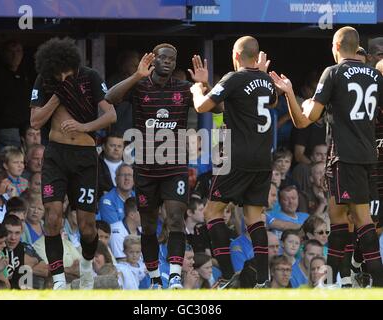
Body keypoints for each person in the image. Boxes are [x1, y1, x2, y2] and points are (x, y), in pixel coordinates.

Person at [270, 26, 383, 287]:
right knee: (338, 219)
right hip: (368, 156)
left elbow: (303, 120)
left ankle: (377, 279)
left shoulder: (333, 72)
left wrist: (289, 93)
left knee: (361, 221)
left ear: (335, 47)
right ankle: (335, 280)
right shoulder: (375, 76)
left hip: (345, 156)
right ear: (357, 48)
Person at [105, 43, 211, 289]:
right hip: (146, 169)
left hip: (175, 167)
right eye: (162, 57)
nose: (167, 62)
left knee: (175, 219)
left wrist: (204, 85)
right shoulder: (140, 86)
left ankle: (174, 276)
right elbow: (110, 97)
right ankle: (154, 279)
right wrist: (136, 75)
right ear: (153, 60)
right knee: (150, 226)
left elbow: (218, 106)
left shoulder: (184, 88)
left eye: (172, 59)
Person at [30, 37, 116, 289]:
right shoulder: (45, 81)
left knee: (88, 227)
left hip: (85, 157)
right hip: (56, 155)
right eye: (57, 73)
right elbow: (35, 121)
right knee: (53, 216)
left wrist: (84, 126)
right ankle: (58, 280)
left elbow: (110, 114)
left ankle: (87, 269)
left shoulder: (89, 77)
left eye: (65, 71)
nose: (62, 76)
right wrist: (57, 96)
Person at [190, 36, 277, 288]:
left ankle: (226, 274)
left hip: (237, 156)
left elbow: (202, 107)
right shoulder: (266, 80)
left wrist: (198, 89)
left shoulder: (234, 77)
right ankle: (262, 279)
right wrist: (209, 83)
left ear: (236, 56)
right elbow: (270, 102)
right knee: (254, 217)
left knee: (211, 212)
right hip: (263, 158)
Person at [0, 40, 32, 150]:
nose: (15, 55)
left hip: (26, 127)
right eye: (11, 51)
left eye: (18, 51)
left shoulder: (26, 73)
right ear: (3, 53)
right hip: (6, 128)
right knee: (12, 161)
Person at [2, 214, 49, 289]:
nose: (13, 237)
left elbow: (46, 270)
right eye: (9, 232)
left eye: (17, 233)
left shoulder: (23, 247)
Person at [97, 132, 124, 198]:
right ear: (103, 147)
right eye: (112, 145)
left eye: (119, 146)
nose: (116, 149)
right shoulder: (95, 167)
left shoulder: (132, 169)